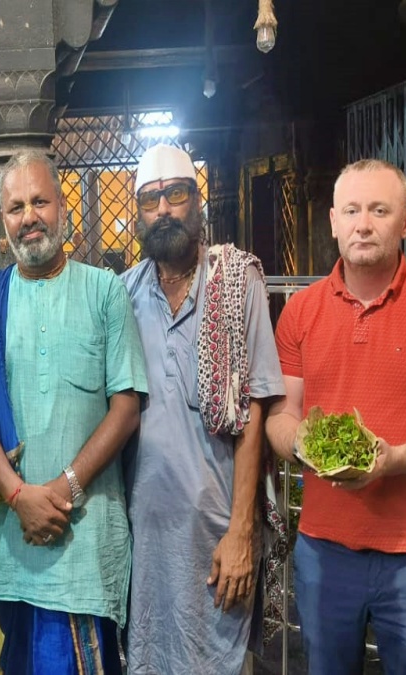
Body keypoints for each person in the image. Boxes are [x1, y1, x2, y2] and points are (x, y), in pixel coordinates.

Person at [265, 159, 406, 675]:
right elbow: (281, 416)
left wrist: (394, 459)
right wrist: (305, 443)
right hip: (324, 553)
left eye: (378, 210)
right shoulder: (300, 312)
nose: (363, 224)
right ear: (332, 222)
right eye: (351, 210)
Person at [0, 149, 148, 674]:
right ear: (4, 221)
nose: (29, 216)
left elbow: (126, 406)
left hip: (83, 548)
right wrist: (20, 498)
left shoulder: (104, 290)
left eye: (40, 201)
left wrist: (61, 493)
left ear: (63, 208)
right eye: (16, 207)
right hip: (14, 545)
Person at [120, 145, 284, 675]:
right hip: (144, 536)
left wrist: (241, 531)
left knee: (216, 660)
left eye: (176, 193)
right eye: (150, 199)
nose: (163, 209)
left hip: (216, 533)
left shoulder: (237, 284)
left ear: (198, 201)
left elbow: (255, 409)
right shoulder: (123, 295)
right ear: (137, 214)